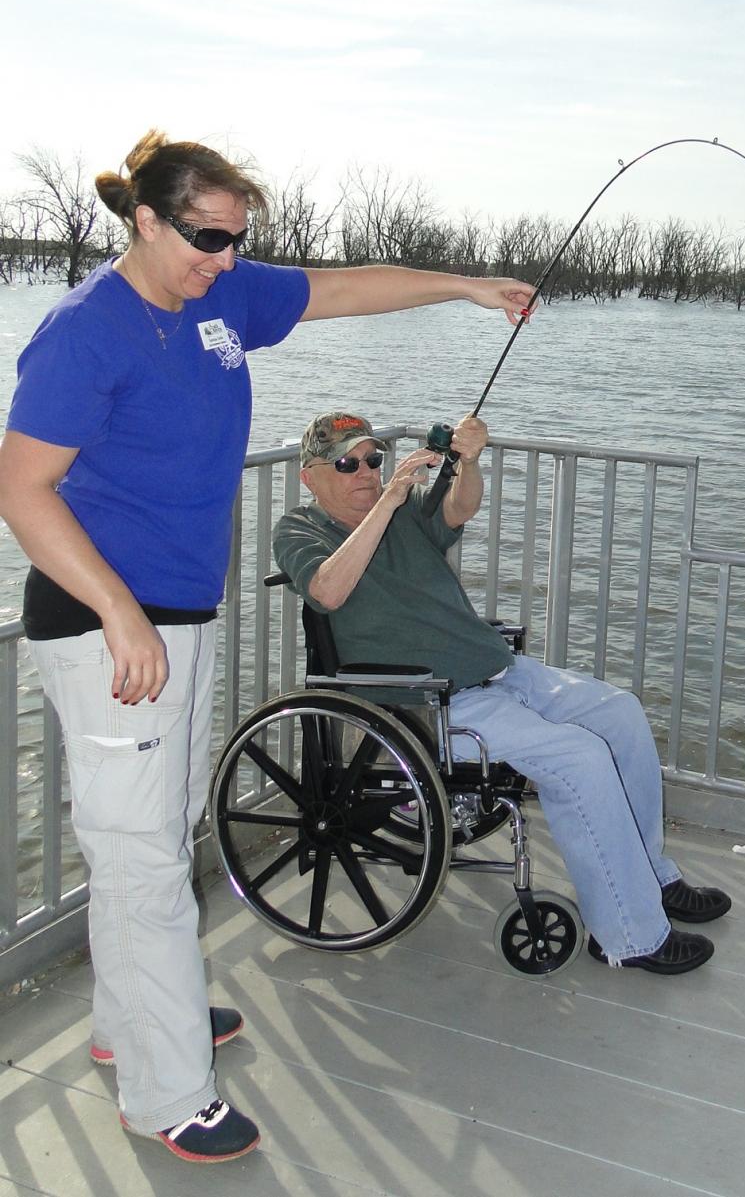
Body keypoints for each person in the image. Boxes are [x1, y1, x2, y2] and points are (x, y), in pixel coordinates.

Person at [0, 130, 535, 1164]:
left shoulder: (216, 300)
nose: (227, 258)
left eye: (239, 240)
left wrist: (467, 287)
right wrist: (117, 613)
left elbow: (341, 288)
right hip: (111, 628)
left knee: (147, 843)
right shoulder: (83, 333)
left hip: (177, 619)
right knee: (146, 857)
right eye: (208, 237)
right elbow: (22, 490)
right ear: (145, 221)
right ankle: (166, 1094)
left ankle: (132, 1027)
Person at [273, 409, 732, 980]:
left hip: (497, 669)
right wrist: (387, 502)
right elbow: (327, 590)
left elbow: (459, 508)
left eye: (373, 459)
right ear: (310, 476)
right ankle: (629, 934)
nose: (366, 472)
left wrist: (469, 461)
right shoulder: (300, 529)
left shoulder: (403, 516)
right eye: (348, 463)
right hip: (430, 704)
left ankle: (654, 878)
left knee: (620, 714)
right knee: (579, 758)